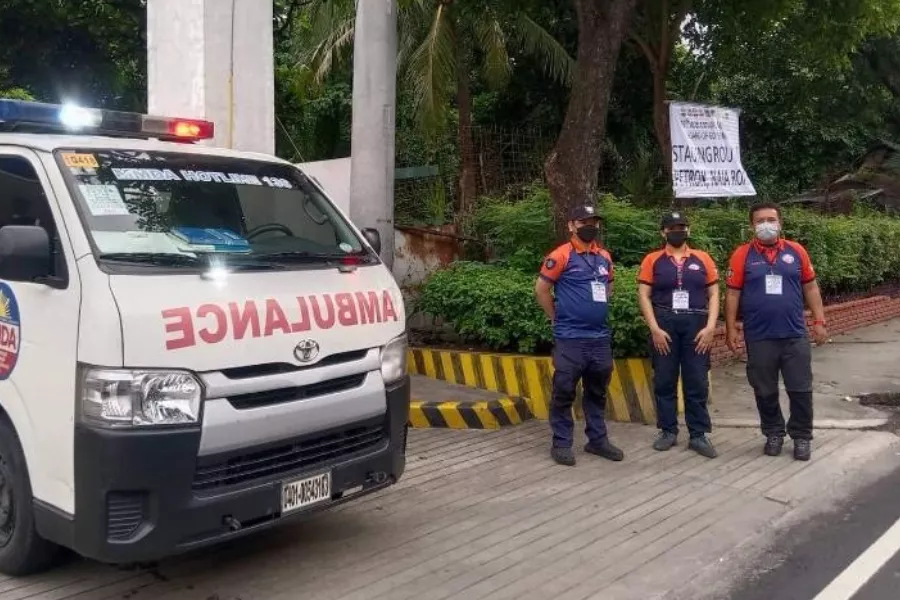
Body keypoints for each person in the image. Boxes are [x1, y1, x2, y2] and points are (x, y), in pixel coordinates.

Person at [725, 202, 828, 461]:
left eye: (771, 219)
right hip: (759, 336)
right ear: (752, 225)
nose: (766, 225)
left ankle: (802, 436)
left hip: (794, 334)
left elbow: (811, 288)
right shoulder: (741, 255)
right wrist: (730, 328)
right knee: (764, 389)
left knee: (800, 388)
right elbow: (732, 293)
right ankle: (773, 433)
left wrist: (819, 321)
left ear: (780, 223)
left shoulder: (797, 252)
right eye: (760, 221)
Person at [534, 205, 624, 467]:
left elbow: (609, 288)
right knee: (564, 389)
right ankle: (561, 443)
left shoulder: (604, 257)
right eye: (584, 222)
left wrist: (596, 308)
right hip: (570, 337)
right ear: (572, 225)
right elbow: (541, 290)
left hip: (599, 337)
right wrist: (556, 318)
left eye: (594, 222)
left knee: (597, 390)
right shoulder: (560, 255)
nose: (590, 226)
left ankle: (597, 440)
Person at [637, 211, 720, 458]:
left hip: (696, 324)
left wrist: (710, 327)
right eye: (672, 227)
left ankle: (698, 434)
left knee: (697, 380)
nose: (678, 231)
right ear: (663, 232)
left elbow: (714, 293)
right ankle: (668, 431)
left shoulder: (702, 258)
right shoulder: (653, 260)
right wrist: (654, 328)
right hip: (665, 322)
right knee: (664, 379)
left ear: (688, 231)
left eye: (682, 226)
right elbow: (644, 295)